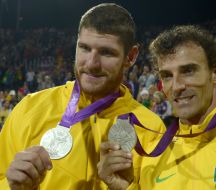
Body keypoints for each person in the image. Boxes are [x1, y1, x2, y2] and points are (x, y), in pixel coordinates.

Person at [0, 3, 165, 190]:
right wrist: (11, 187)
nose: (92, 64)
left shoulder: (151, 128)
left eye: (106, 52)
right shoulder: (31, 108)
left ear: (131, 56)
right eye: (85, 48)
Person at [98, 25, 216, 190]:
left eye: (188, 71)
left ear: (215, 73)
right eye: (167, 76)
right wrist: (124, 187)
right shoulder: (150, 156)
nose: (176, 86)